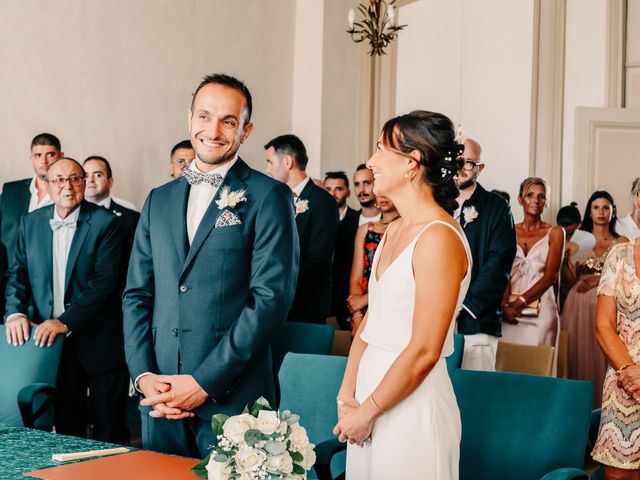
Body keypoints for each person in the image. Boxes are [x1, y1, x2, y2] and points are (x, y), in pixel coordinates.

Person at [123, 74, 299, 458]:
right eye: (204, 116)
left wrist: (203, 382)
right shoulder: (158, 200)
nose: (213, 130)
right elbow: (137, 295)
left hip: (234, 401)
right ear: (190, 120)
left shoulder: (269, 197)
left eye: (228, 121)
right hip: (161, 401)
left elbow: (269, 301)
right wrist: (145, 376)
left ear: (246, 130)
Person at [334, 110, 470, 479]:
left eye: (380, 150)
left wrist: (369, 411)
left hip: (411, 406)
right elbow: (368, 325)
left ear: (411, 163)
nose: (371, 162)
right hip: (369, 400)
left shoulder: (438, 238)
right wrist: (347, 395)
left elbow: (425, 348)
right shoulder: (393, 231)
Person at [4, 158, 128, 443]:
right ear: (47, 185)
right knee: (67, 426)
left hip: (100, 341)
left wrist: (64, 322)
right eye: (59, 179)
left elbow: (104, 283)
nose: (67, 186)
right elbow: (17, 273)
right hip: (53, 345)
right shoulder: (31, 222)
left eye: (75, 178)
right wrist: (15, 313)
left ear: (84, 183)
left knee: (110, 427)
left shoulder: (106, 223)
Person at [561, 191, 629, 406]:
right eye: (596, 207)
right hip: (577, 305)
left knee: (605, 355)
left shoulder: (622, 242)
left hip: (609, 306)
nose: (601, 212)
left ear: (613, 211)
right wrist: (563, 263)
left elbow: (627, 279)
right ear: (589, 211)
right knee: (577, 356)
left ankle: (605, 407)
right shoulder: (577, 241)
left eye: (606, 207)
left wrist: (598, 279)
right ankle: (578, 409)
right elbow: (571, 280)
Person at [454, 138, 516, 371]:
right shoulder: (435, 204)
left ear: (480, 168)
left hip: (477, 320)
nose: (461, 169)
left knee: (474, 395)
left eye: (468, 163)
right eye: (457, 161)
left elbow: (498, 264)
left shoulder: (496, 207)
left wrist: (463, 306)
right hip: (435, 321)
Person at [265, 134, 339, 324]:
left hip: (306, 308)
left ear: (288, 161)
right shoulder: (274, 200)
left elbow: (318, 260)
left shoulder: (323, 202)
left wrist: (279, 287)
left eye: (270, 162)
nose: (267, 170)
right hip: (274, 306)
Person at [591, 236, 640, 479]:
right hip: (622, 380)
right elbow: (603, 325)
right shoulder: (619, 255)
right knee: (618, 475)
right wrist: (631, 373)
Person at [501, 178, 564, 360]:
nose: (536, 201)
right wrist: (504, 306)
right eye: (530, 195)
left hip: (542, 309)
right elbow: (501, 269)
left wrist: (520, 303)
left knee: (538, 365)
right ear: (520, 199)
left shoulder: (556, 232)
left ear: (546, 202)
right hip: (509, 310)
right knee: (507, 364)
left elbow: (550, 276)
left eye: (541, 196)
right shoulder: (507, 230)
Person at [0, 133, 63, 262]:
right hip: (8, 274)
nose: (44, 161)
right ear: (31, 157)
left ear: (61, 156)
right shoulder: (11, 191)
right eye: (38, 155)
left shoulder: (68, 194)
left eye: (50, 154)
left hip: (48, 274)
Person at [347, 196, 399, 334]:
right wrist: (357, 317)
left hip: (393, 308)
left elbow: (401, 279)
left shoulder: (406, 231)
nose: (382, 196)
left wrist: (366, 299)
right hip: (363, 312)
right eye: (379, 192)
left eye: (388, 192)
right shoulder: (365, 230)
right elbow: (356, 279)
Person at [324, 171, 360, 330]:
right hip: (322, 292)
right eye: (328, 189)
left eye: (338, 189)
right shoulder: (318, 219)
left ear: (348, 191)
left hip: (347, 290)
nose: (333, 193)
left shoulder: (357, 219)